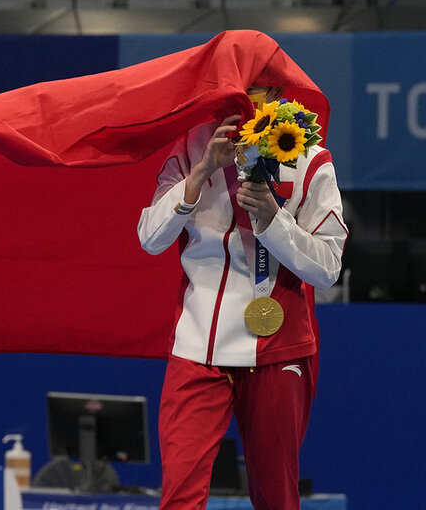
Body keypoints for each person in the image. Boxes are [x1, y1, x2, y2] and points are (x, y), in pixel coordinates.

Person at [137, 85, 348, 510]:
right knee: (179, 498)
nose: (242, 104)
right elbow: (149, 239)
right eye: (230, 92)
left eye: (252, 92)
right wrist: (197, 177)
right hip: (197, 347)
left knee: (276, 499)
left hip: (277, 346)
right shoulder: (193, 144)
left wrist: (274, 220)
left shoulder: (309, 157)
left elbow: (327, 267)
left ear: (274, 92)